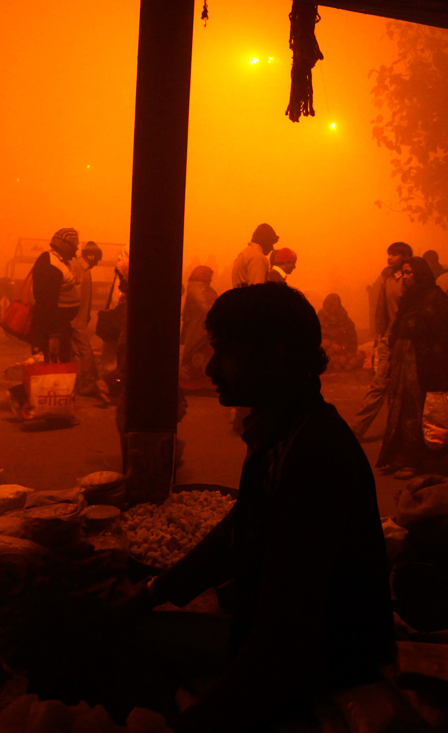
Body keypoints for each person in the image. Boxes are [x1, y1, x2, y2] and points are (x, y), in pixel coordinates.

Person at [137, 283, 395, 731]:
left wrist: (203, 720)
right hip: (285, 644)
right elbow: (243, 526)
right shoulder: (282, 429)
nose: (211, 367)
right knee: (140, 634)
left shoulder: (314, 453)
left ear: (275, 356)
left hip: (326, 666)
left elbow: (286, 634)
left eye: (227, 352)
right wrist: (152, 593)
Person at [377, 257, 448, 476]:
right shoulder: (408, 299)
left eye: (410, 272)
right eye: (404, 272)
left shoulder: (435, 297)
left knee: (418, 411)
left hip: (424, 366)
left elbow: (442, 336)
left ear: (421, 273)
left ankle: (415, 460)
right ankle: (401, 456)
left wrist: (435, 368)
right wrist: (391, 359)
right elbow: (398, 330)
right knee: (400, 409)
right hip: (404, 363)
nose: (406, 277)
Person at [349, 242, 413, 439]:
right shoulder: (387, 277)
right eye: (389, 254)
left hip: (406, 341)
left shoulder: (410, 278)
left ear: (404, 257)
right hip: (388, 338)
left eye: (394, 254)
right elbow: (383, 308)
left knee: (398, 387)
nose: (389, 257)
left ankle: (397, 430)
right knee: (380, 384)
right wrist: (380, 335)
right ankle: (357, 428)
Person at [30, 228, 80, 363]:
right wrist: (54, 335)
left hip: (59, 326)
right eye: (74, 247)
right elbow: (46, 303)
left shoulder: (59, 262)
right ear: (63, 245)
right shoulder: (50, 264)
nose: (76, 251)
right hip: (53, 328)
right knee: (54, 372)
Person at [70, 241, 107, 397]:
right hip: (74, 320)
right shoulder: (77, 267)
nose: (97, 263)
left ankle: (77, 384)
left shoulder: (83, 268)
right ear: (91, 257)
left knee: (77, 352)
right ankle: (85, 385)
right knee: (86, 352)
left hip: (79, 319)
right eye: (96, 259)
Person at [179, 266, 218, 391]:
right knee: (198, 356)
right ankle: (194, 383)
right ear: (203, 276)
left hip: (200, 328)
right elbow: (206, 308)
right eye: (209, 277)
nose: (210, 281)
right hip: (201, 330)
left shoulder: (195, 288)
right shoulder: (198, 289)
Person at [318, 294, 364, 371]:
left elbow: (349, 329)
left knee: (345, 361)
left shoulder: (342, 314)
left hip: (342, 347)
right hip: (327, 346)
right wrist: (330, 343)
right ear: (328, 305)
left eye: (336, 305)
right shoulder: (322, 315)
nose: (335, 308)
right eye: (332, 305)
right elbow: (318, 332)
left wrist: (341, 343)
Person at [231, 223, 278, 288]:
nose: (272, 248)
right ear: (264, 242)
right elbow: (257, 290)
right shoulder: (258, 258)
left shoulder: (243, 254)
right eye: (270, 243)